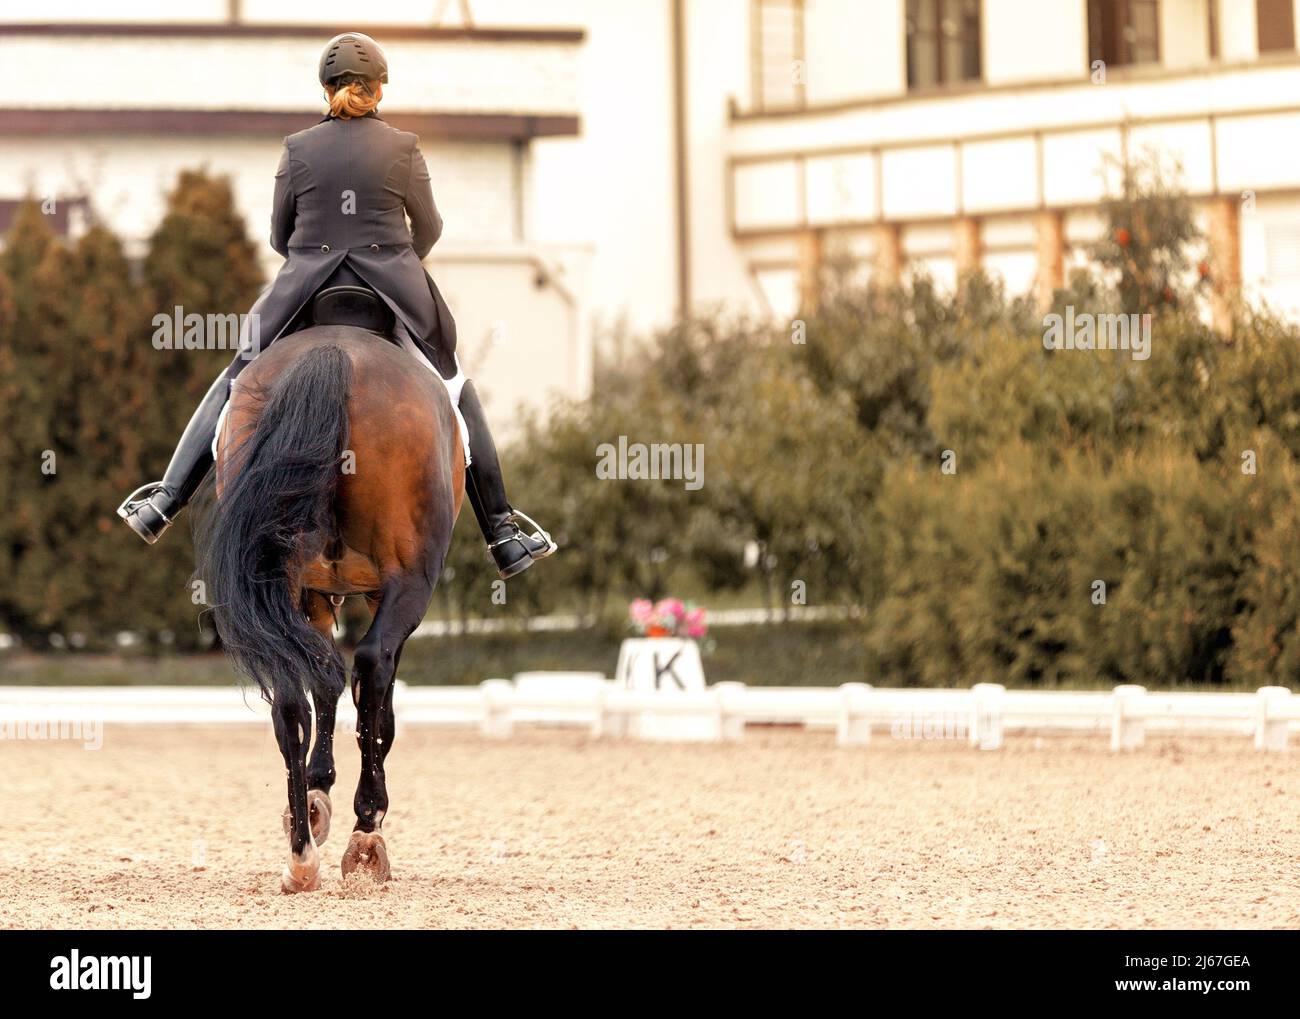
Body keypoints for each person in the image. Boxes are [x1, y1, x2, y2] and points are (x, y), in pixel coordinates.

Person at [118, 32, 555, 579]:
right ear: (379, 89)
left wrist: (312, 260)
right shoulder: (404, 146)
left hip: (306, 293)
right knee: (452, 385)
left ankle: (163, 501)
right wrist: (396, 260)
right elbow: (432, 227)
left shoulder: (298, 147)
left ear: (327, 90)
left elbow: (280, 234)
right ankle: (503, 533)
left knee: (237, 379)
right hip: (391, 292)